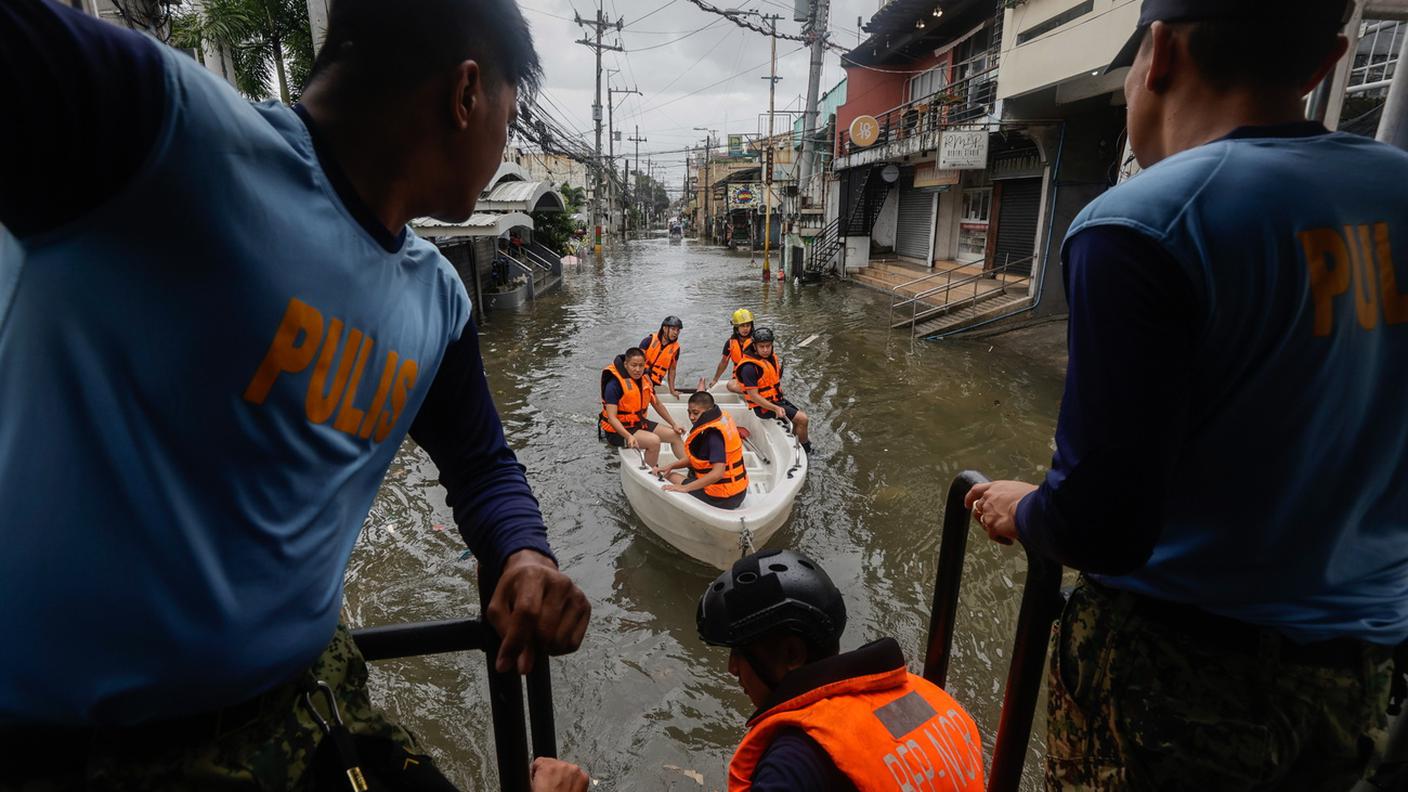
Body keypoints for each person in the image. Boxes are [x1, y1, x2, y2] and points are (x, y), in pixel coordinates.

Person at [0, 1, 591, 789]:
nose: (505, 144)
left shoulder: (436, 302)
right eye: (510, 118)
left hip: (301, 707)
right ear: (466, 94)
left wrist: (521, 554)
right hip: (62, 752)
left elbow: (481, 463)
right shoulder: (168, 135)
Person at [963, 0, 1408, 787]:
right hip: (1366, 673)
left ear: (1158, 54)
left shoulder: (1139, 226)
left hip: (1176, 679)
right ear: (1324, 62)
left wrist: (1025, 509)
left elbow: (1101, 524)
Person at [697, 550, 985, 791]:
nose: (732, 668)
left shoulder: (794, 762)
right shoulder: (923, 695)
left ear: (792, 654)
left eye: (740, 653)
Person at [654, 391, 749, 510]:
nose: (691, 417)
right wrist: (671, 466)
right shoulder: (719, 420)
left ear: (708, 411)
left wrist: (684, 488)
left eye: (696, 413)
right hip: (739, 492)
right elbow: (697, 461)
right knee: (673, 471)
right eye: (689, 412)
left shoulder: (713, 435)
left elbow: (718, 474)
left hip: (722, 498)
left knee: (671, 477)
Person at [599, 347, 686, 467]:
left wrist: (674, 424)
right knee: (654, 441)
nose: (637, 369)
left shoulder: (645, 379)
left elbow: (657, 404)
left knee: (675, 435)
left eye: (641, 365)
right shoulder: (614, 385)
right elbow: (612, 418)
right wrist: (628, 436)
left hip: (638, 423)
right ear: (626, 364)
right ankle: (652, 473)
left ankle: (691, 467)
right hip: (617, 431)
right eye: (633, 365)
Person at [734, 328, 811, 454]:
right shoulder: (749, 368)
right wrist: (775, 408)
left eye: (768, 346)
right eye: (761, 347)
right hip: (763, 407)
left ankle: (796, 445)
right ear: (754, 346)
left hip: (776, 400)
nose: (765, 350)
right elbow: (754, 396)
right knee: (803, 419)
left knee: (798, 419)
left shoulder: (771, 358)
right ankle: (807, 452)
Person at [710, 308, 756, 391]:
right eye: (742, 326)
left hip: (755, 377)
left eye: (748, 325)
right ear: (736, 327)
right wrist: (715, 379)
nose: (745, 329)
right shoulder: (730, 343)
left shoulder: (756, 341)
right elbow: (724, 362)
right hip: (740, 377)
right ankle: (752, 393)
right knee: (730, 386)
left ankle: (755, 393)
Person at [640, 315, 684, 397]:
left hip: (654, 382)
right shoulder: (648, 341)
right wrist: (645, 375)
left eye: (678, 330)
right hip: (640, 376)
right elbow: (637, 361)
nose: (676, 333)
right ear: (664, 328)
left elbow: (672, 370)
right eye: (673, 329)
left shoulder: (676, 349)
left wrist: (672, 390)